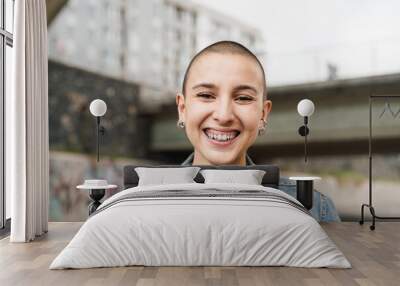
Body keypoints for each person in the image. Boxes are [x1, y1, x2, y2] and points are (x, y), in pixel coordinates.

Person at [176, 40, 340, 222]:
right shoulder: (138, 200)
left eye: (243, 98)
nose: (224, 116)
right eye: (206, 95)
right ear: (182, 109)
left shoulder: (314, 208)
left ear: (263, 114)